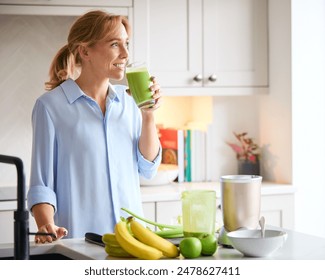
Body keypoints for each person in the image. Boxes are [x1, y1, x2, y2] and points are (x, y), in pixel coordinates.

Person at [27, 10, 162, 243]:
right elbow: (42, 184)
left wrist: (148, 115)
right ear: (85, 50)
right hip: (80, 243)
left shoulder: (130, 102)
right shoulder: (50, 107)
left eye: (126, 43)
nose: (125, 53)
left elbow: (148, 169)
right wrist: (45, 224)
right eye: (114, 44)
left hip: (133, 243)